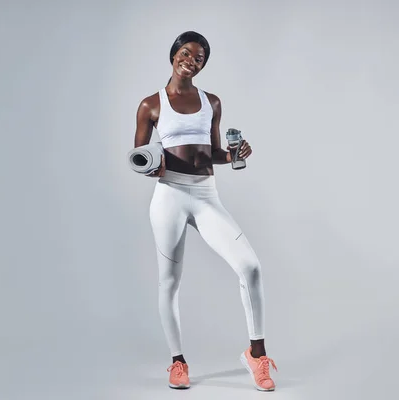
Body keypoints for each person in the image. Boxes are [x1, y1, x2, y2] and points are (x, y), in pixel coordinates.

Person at [133, 31, 277, 392]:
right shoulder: (151, 104)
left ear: (202, 65)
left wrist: (234, 156)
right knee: (169, 281)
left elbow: (212, 152)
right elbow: (138, 157)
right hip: (169, 196)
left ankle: (256, 354)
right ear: (173, 55)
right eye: (186, 53)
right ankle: (177, 361)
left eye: (199, 58)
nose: (191, 60)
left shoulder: (211, 101)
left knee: (250, 267)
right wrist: (151, 166)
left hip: (206, 194)